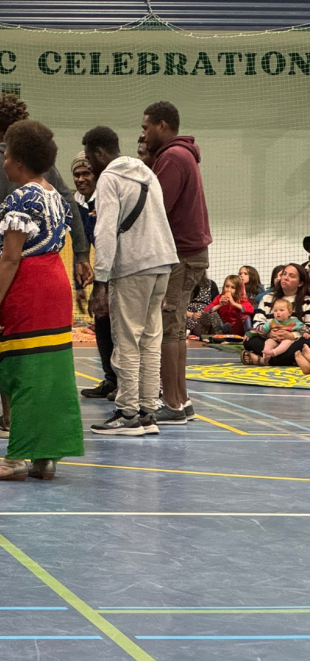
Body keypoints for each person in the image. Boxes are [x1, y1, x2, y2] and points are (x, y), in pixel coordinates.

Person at [0, 94, 93, 437]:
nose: (3, 158)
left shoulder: (21, 198)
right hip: (55, 283)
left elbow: (10, 257)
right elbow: (71, 215)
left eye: (7, 154)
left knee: (15, 362)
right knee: (51, 367)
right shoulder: (53, 191)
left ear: (18, 159)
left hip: (23, 284)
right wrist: (82, 256)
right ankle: (48, 448)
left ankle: (16, 436)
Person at [84, 126, 178, 436]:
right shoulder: (146, 173)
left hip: (133, 266)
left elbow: (106, 231)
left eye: (88, 157)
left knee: (126, 339)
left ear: (100, 153)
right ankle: (148, 412)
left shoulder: (110, 178)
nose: (88, 165)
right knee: (150, 340)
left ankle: (126, 413)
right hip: (162, 261)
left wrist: (100, 280)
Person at [141, 101, 212, 425]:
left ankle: (171, 402)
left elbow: (156, 209)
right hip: (190, 253)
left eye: (146, 127)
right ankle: (180, 400)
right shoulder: (182, 155)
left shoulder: (171, 157)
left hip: (180, 254)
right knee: (177, 327)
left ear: (163, 126)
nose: (143, 133)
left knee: (170, 327)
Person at [72, 151, 117, 401]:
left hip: (120, 270)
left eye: (85, 173)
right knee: (101, 323)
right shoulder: (80, 204)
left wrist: (103, 287)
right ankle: (111, 379)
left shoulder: (108, 199)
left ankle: (129, 382)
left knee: (117, 327)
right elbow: (81, 246)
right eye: (76, 174)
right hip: (102, 269)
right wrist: (79, 286)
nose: (80, 179)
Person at [243, 263, 310, 366]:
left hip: (293, 341)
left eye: (291, 276)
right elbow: (258, 324)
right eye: (284, 274)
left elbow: (308, 328)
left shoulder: (307, 301)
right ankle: (287, 359)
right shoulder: (267, 298)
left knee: (307, 341)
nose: (285, 278)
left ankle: (262, 360)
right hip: (270, 339)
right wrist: (270, 334)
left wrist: (291, 336)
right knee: (249, 339)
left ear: (300, 283)